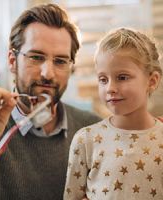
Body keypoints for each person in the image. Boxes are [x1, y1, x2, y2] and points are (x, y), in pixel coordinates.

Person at [0, 4, 101, 200]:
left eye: (60, 61)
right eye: (36, 57)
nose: (48, 74)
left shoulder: (92, 129)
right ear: (12, 61)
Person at [64, 28, 163, 200]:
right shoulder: (85, 140)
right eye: (103, 79)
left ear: (152, 81)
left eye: (122, 77)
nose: (110, 88)